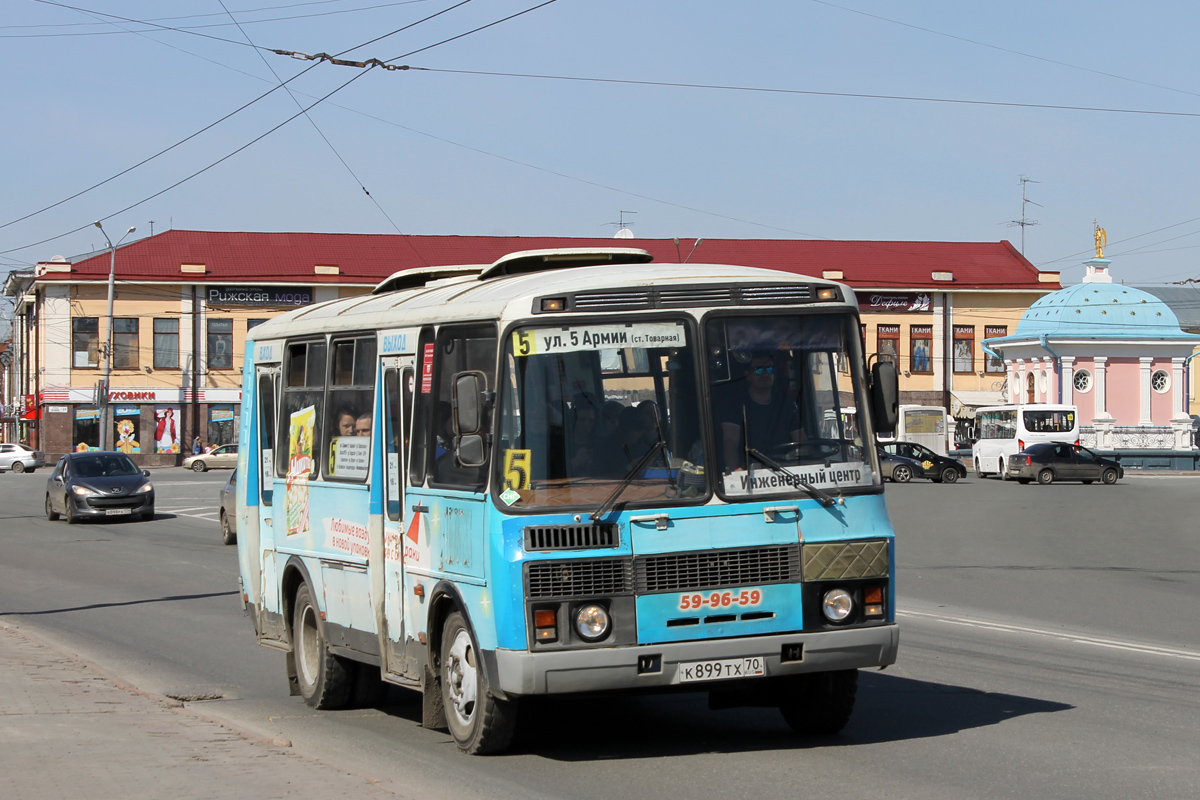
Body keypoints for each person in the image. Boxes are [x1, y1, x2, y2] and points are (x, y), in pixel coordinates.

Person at [717, 352, 799, 472]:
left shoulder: (786, 405)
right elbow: (731, 442)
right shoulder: (735, 404)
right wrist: (736, 472)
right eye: (758, 370)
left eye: (770, 369)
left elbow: (801, 441)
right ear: (747, 376)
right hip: (751, 475)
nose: (765, 374)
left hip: (786, 473)